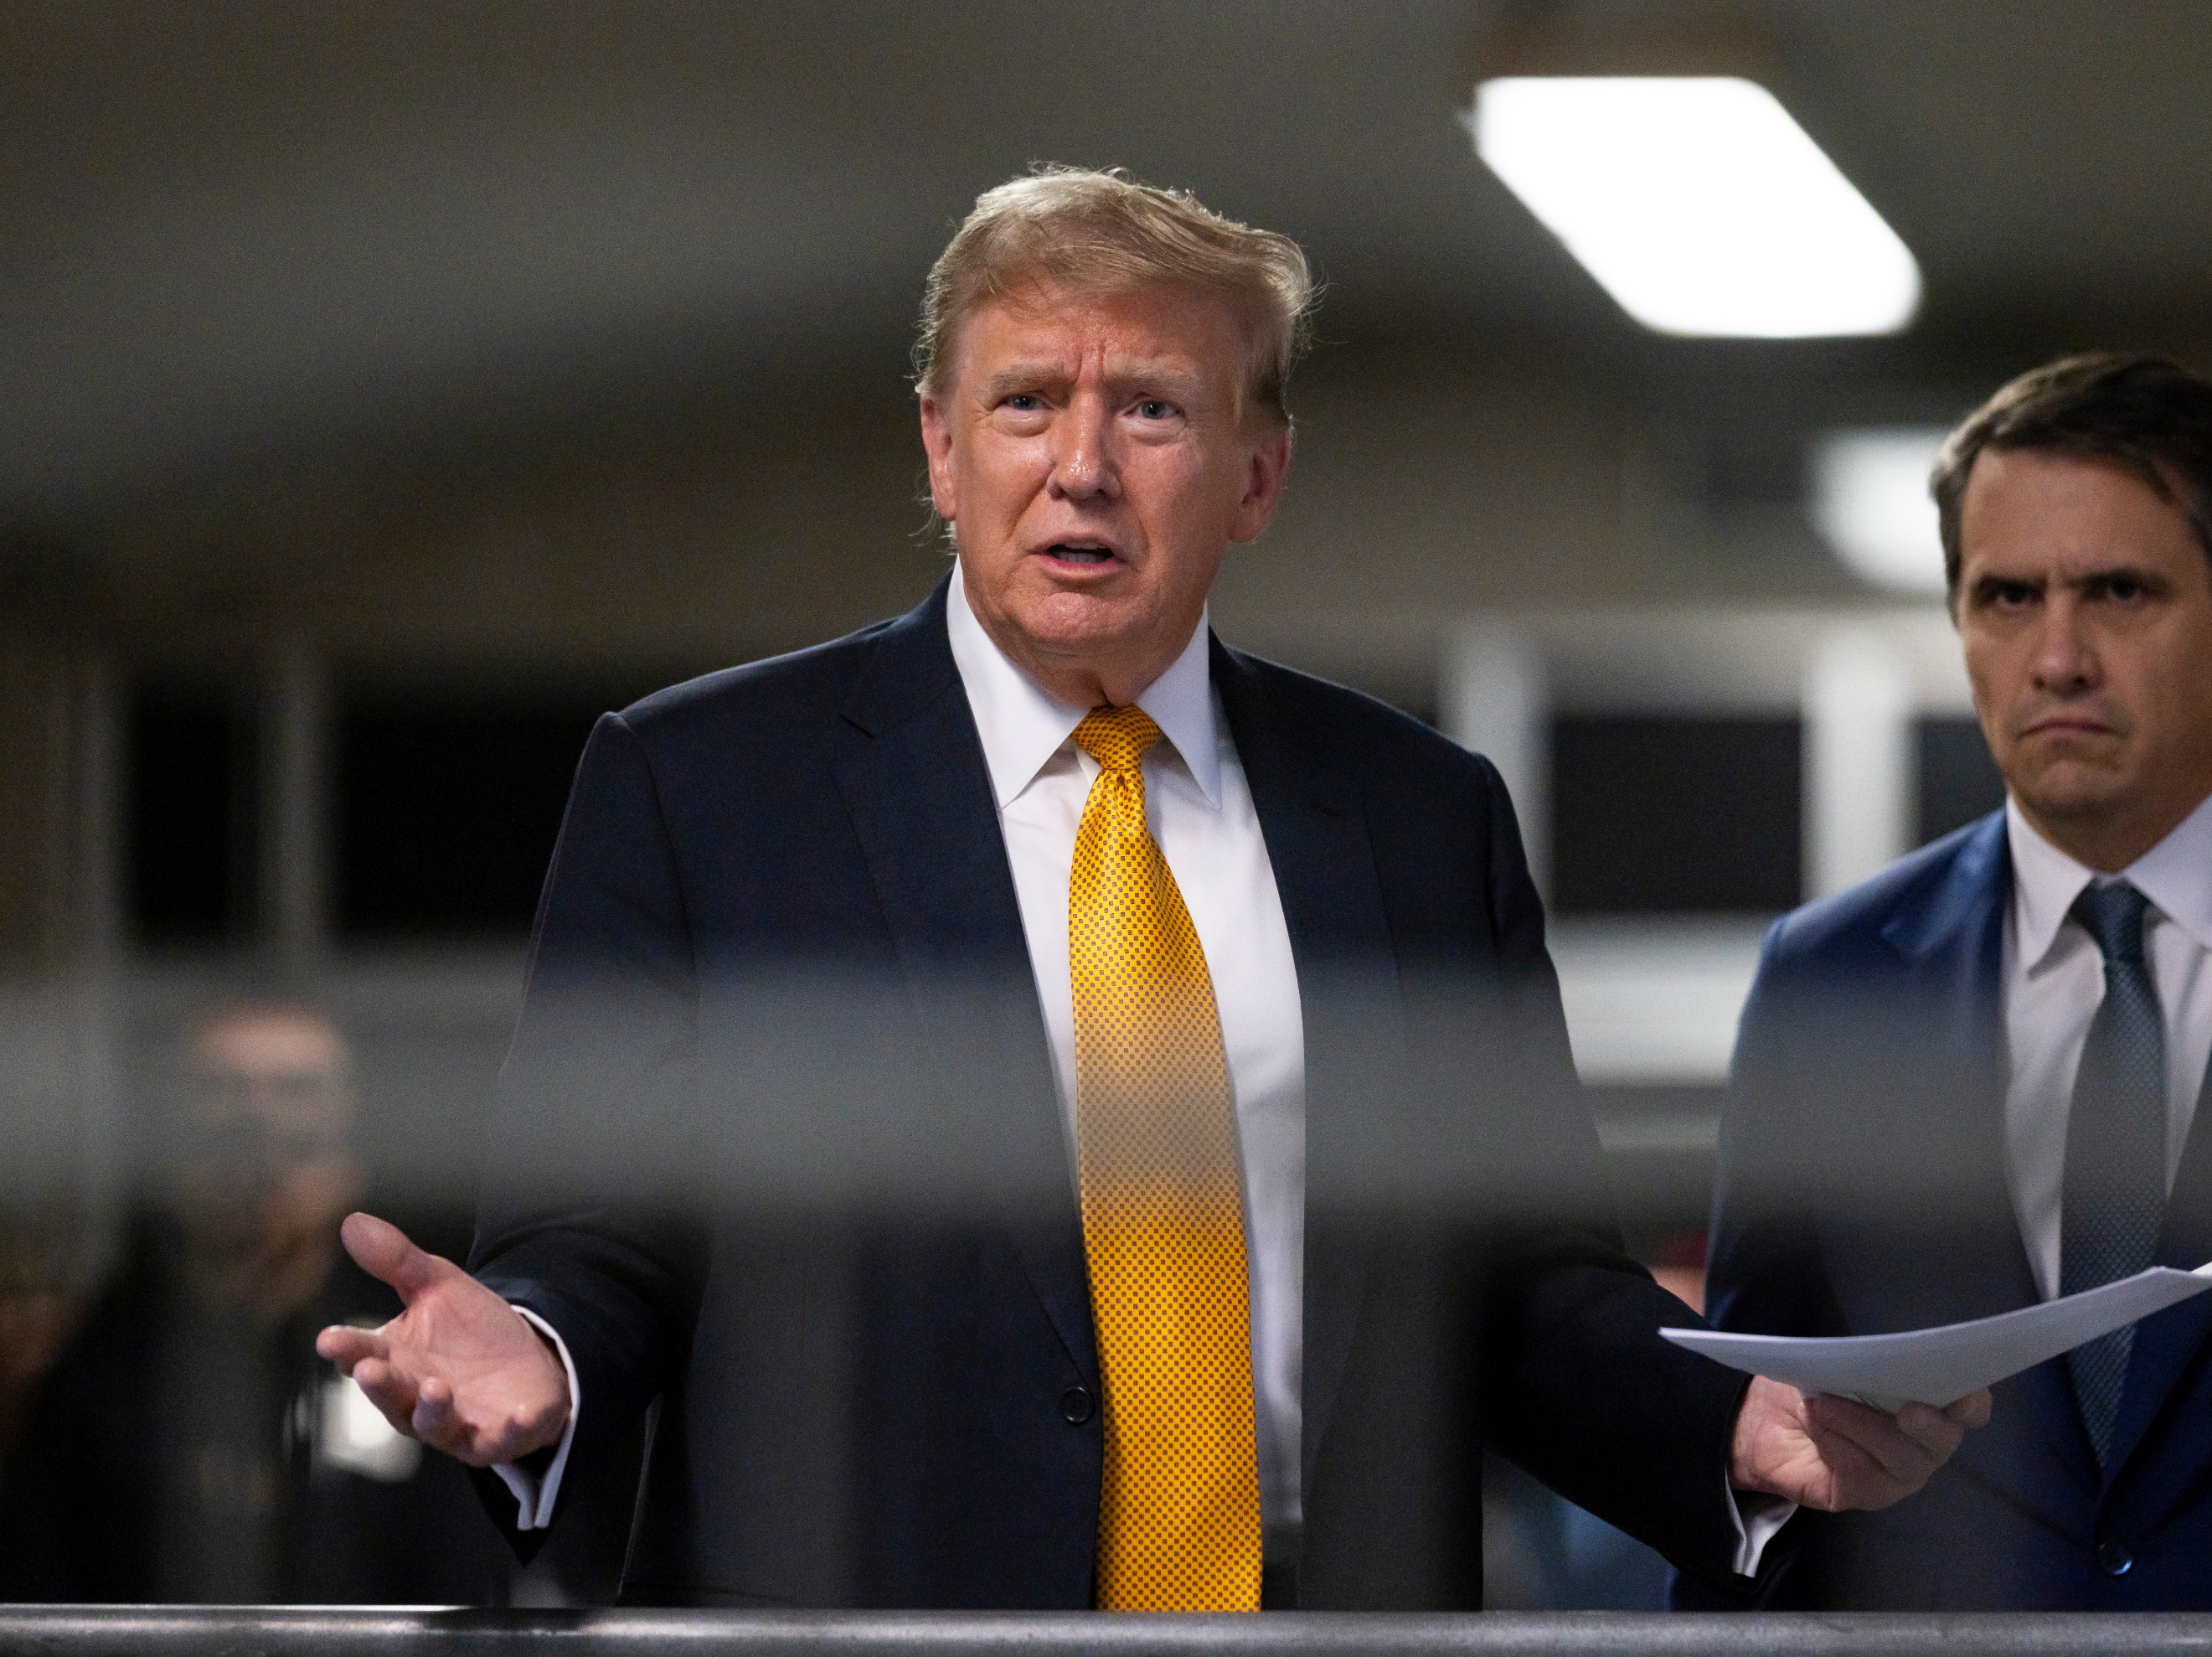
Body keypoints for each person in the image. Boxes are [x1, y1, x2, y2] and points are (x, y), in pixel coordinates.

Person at [316, 167, 1985, 1613]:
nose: (1084, 466)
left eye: (1155, 409)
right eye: (1027, 400)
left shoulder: (1417, 818)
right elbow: (598, 1236)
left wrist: (1736, 1428)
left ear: (1255, 473)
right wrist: (540, 1353)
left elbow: (1523, 1282)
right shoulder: (702, 788)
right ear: (941, 450)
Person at [1698, 353, 2212, 1611]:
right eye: (2004, 596)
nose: (2056, 656)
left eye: (2117, 591)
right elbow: (1757, 1434)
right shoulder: (1828, 980)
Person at [0, 999, 514, 1603]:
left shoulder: (411, 1352)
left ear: (350, 1154)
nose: (258, 1134)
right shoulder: (97, 1360)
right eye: (227, 1128)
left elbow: (468, 1584)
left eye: (296, 1132)